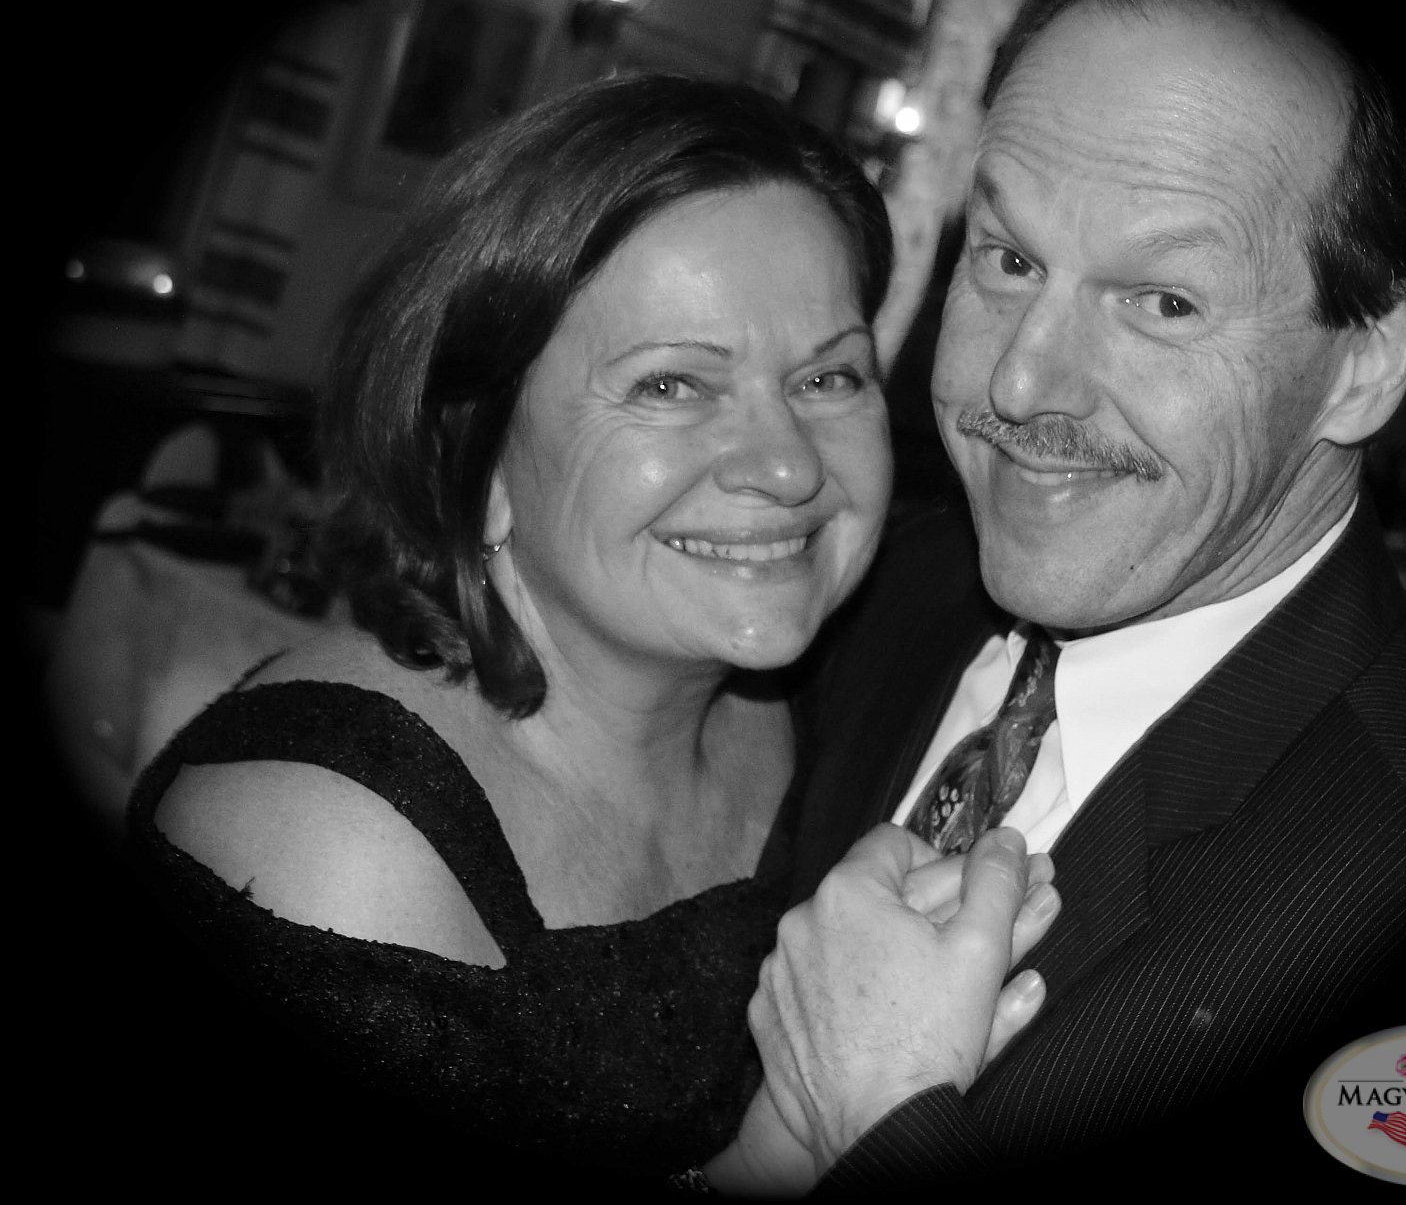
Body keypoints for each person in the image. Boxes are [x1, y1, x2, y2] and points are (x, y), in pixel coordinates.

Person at [740, 0, 1406, 1190]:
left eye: (1163, 302)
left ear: (1363, 363)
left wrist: (881, 1122)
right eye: (1009, 259)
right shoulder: (885, 583)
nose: (1017, 381)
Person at [123, 72, 925, 1180]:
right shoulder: (325, 848)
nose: (788, 466)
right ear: (478, 453)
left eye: (830, 375)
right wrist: (791, 1141)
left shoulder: (826, 691)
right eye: (671, 387)